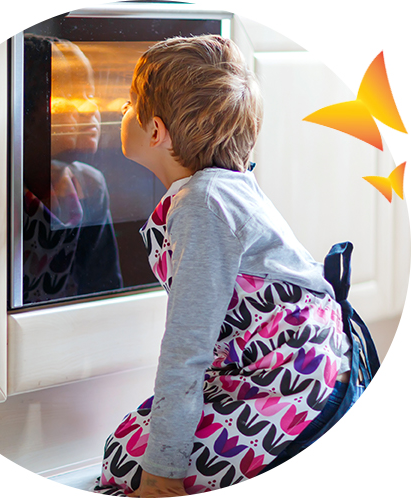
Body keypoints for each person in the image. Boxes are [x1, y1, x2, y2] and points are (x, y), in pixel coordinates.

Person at [93, 34, 365, 497]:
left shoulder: (202, 206)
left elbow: (186, 348)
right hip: (300, 365)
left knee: (125, 463)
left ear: (156, 132)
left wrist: (163, 473)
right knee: (128, 443)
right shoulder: (225, 185)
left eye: (127, 103)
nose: (119, 112)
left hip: (293, 386)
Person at [22, 34, 122, 304]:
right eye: (69, 97)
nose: (92, 107)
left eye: (91, 95)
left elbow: (104, 286)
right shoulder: (1, 188)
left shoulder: (89, 185)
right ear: (25, 113)